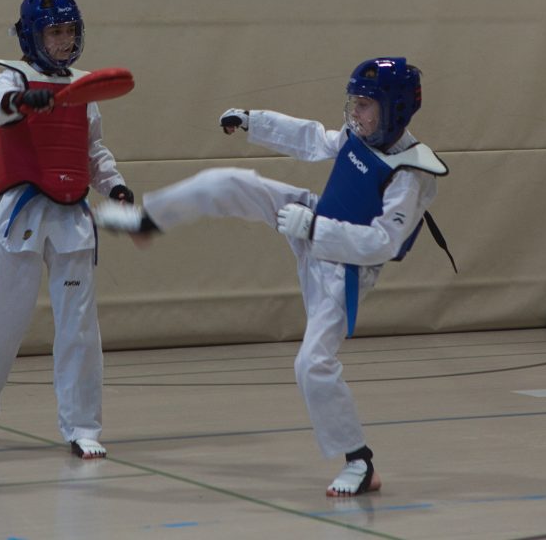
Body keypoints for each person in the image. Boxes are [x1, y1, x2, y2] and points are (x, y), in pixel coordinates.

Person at [93, 57, 451, 494]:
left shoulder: (411, 173)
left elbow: (384, 243)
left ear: (394, 108)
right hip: (311, 216)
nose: (354, 114)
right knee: (229, 182)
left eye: (364, 105)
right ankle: (148, 220)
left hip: (345, 270)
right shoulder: (358, 136)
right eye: (353, 103)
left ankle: (359, 461)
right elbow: (311, 138)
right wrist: (252, 121)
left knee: (312, 364)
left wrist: (316, 230)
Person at [0, 0, 134, 459]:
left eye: (69, 31)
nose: (63, 40)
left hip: (72, 214)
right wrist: (20, 100)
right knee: (3, 319)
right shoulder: (10, 78)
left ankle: (82, 426)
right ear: (32, 35)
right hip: (21, 212)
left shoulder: (85, 87)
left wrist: (114, 186)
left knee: (79, 326)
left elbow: (93, 149)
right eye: (54, 32)